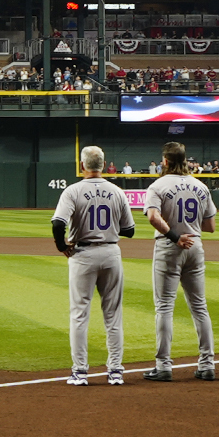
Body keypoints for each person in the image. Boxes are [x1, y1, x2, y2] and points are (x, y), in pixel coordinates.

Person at [52, 149, 132, 387]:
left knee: (79, 315)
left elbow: (58, 223)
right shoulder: (117, 191)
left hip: (82, 254)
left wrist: (61, 246)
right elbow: (129, 230)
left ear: (82, 164)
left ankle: (80, 372)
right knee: (113, 314)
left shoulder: (73, 190)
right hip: (111, 253)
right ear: (104, 165)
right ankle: (115, 371)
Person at [140, 141, 216, 382]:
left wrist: (175, 236)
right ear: (185, 160)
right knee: (200, 307)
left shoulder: (158, 185)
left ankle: (163, 366)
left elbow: (153, 216)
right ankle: (207, 364)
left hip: (170, 246)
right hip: (196, 245)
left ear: (165, 161)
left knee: (164, 307)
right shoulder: (201, 186)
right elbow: (210, 226)